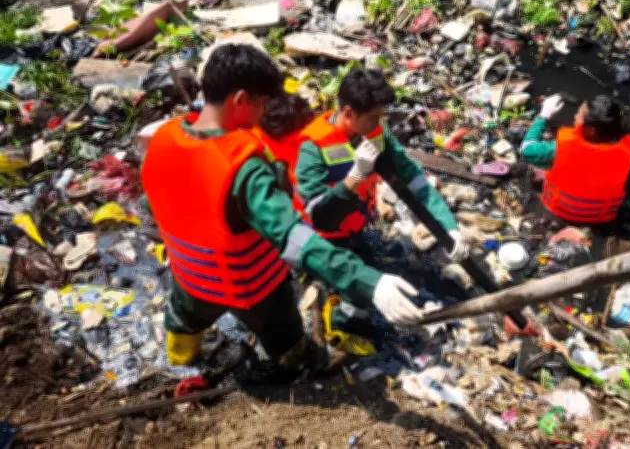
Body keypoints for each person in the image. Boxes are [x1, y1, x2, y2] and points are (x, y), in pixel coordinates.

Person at [140, 44, 423, 371]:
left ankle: (179, 365)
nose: (264, 112)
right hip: (251, 289)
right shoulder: (243, 170)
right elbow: (294, 238)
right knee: (287, 342)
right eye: (261, 102)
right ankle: (295, 368)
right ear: (240, 100)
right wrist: (369, 282)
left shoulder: (163, 138)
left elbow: (155, 203)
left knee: (181, 323)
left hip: (188, 278)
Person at [292, 68, 469, 331]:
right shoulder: (312, 149)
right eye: (374, 118)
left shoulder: (374, 132)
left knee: (372, 269)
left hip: (357, 223)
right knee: (359, 292)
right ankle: (341, 323)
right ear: (349, 113)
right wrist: (353, 178)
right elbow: (321, 217)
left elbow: (413, 178)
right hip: (323, 238)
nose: (379, 125)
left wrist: (448, 226)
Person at [519, 94, 630, 225]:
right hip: (599, 220)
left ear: (590, 130)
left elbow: (526, 150)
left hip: (557, 209)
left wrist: (543, 116)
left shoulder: (559, 150)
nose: (574, 117)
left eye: (579, 115)